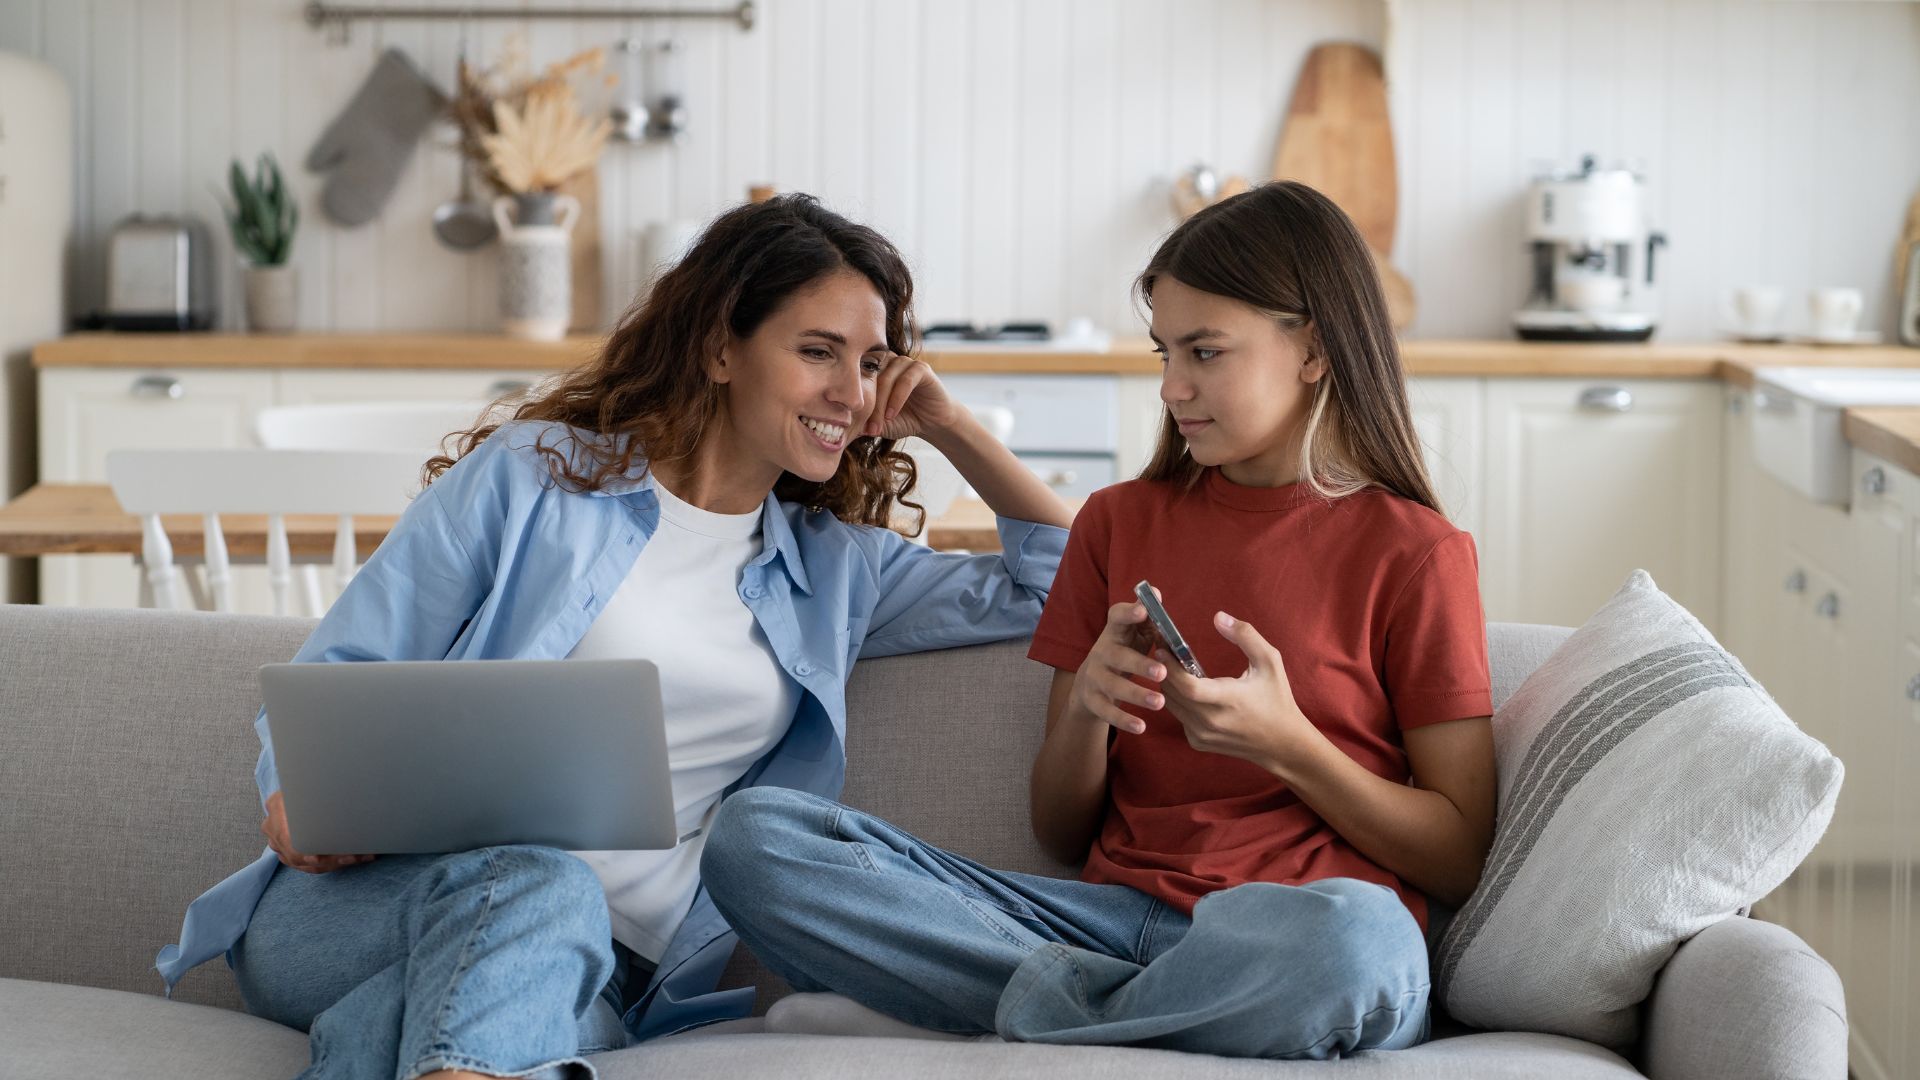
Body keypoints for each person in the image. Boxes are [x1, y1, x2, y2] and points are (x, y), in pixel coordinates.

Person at [155, 193, 1073, 1080]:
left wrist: (953, 429)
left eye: (872, 364)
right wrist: (294, 793)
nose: (850, 390)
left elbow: (1060, 583)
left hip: (614, 969)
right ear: (721, 348)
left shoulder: (841, 572)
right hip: (376, 906)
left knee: (445, 1027)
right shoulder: (533, 482)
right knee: (543, 885)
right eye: (818, 351)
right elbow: (347, 662)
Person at [700, 181, 1496, 1060]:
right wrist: (1088, 713)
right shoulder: (1120, 523)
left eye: (1204, 352)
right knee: (754, 839)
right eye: (1164, 353)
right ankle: (1107, 1015)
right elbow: (1059, 828)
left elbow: (1456, 854)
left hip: (1292, 936)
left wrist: (1288, 746)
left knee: (1363, 944)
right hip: (1101, 924)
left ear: (1311, 350)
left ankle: (989, 1014)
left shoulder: (1417, 553)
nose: (1173, 387)